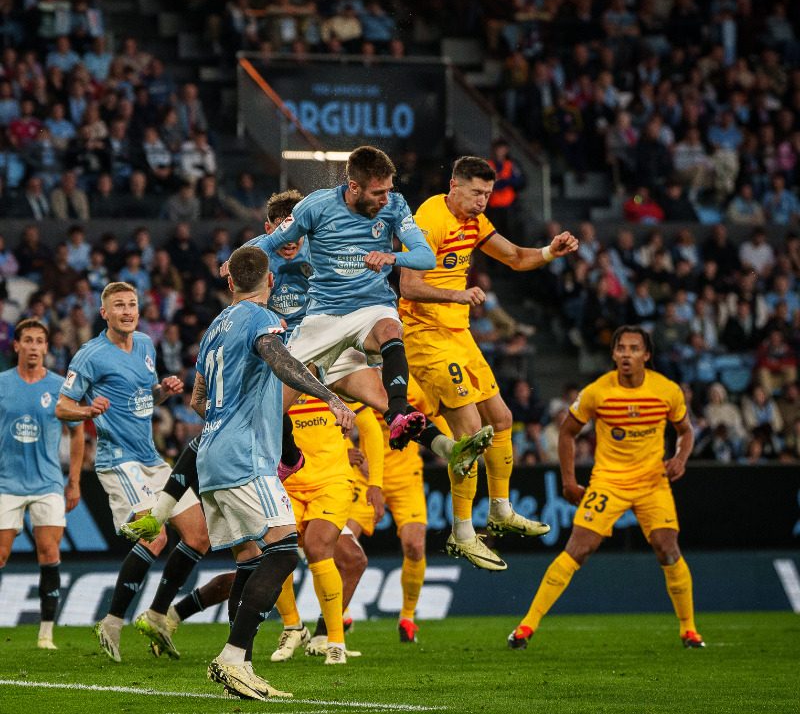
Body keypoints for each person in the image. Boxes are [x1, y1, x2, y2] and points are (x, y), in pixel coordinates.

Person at [237, 149, 492, 470]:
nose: (386, 198)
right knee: (270, 413)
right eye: (378, 192)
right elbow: (261, 263)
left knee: (387, 385)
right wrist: (239, 261)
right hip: (304, 341)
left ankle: (447, 448)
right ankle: (290, 461)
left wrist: (388, 258)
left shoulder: (339, 234)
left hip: (345, 328)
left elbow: (418, 258)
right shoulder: (275, 249)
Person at [190, 245, 356, 697]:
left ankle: (236, 667)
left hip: (211, 453)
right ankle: (232, 656)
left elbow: (198, 401)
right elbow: (280, 360)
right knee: (284, 551)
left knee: (249, 560)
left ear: (230, 283)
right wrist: (332, 396)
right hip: (245, 455)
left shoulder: (212, 329)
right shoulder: (260, 320)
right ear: (271, 282)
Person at [398, 156, 578, 570]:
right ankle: (463, 533)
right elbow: (408, 283)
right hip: (425, 337)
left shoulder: (474, 223)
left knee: (500, 418)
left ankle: (499, 509)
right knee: (470, 436)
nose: (482, 202)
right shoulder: (430, 218)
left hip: (458, 335)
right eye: (476, 193)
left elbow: (515, 257)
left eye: (487, 194)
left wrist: (551, 252)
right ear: (454, 187)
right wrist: (459, 296)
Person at [507, 326, 704, 650]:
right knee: (578, 549)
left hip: (652, 482)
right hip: (608, 482)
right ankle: (526, 627)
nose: (626, 353)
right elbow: (567, 432)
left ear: (646, 355)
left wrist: (681, 458)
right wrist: (569, 482)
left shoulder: (666, 390)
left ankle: (689, 630)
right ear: (613, 354)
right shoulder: (598, 391)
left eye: (634, 348)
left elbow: (686, 430)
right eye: (621, 348)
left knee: (667, 548)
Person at [55, 282, 210, 663]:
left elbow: (144, 398)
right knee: (154, 537)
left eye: (132, 304)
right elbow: (62, 406)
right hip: (119, 460)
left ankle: (157, 614)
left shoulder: (144, 344)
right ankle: (112, 621)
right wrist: (87, 412)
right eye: (119, 306)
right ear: (104, 312)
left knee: (199, 537)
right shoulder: (90, 355)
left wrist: (163, 391)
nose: (127, 311)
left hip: (152, 458)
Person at [269, 395, 380, 663]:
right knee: (272, 552)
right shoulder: (276, 378)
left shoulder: (338, 377)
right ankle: (294, 627)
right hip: (286, 482)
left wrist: (375, 483)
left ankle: (333, 639)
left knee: (325, 550)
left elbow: (370, 428)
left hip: (331, 483)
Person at [0, 319, 84, 650]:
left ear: (46, 348)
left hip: (48, 482)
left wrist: (73, 481)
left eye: (39, 341)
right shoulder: (2, 384)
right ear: (17, 346)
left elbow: (78, 432)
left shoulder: (61, 387)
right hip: (6, 483)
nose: (34, 346)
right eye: (28, 341)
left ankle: (46, 631)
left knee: (49, 552)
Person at [347, 375, 440, 643]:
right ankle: (339, 612)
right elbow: (334, 419)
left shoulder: (415, 384)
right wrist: (351, 449)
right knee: (340, 540)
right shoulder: (357, 375)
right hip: (366, 473)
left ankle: (408, 618)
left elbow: (435, 416)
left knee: (415, 547)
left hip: (405, 476)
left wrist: (448, 447)